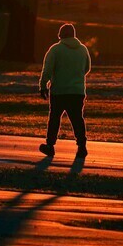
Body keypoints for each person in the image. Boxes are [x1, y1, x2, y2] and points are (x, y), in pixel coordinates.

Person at [38, 23, 91, 157]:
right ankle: (82, 147)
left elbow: (47, 70)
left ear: (60, 35)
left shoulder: (55, 49)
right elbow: (87, 68)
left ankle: (50, 146)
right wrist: (76, 78)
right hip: (77, 91)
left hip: (59, 91)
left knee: (54, 118)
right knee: (77, 119)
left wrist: (43, 85)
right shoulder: (83, 49)